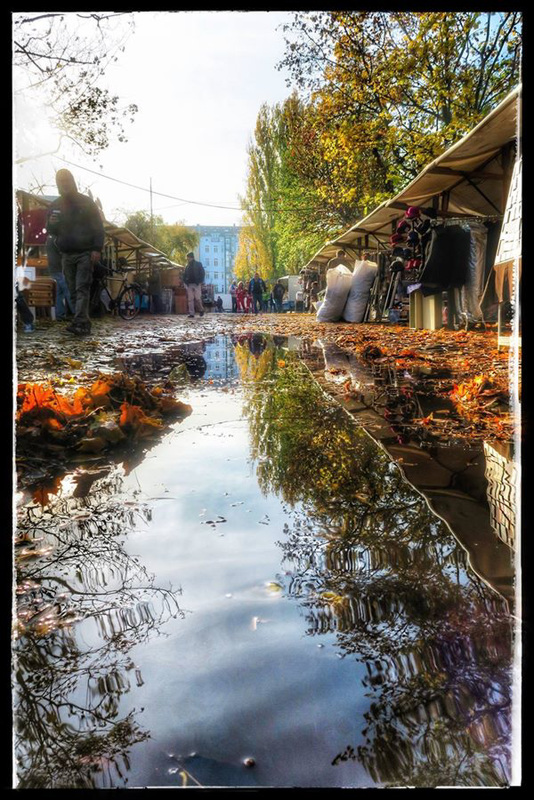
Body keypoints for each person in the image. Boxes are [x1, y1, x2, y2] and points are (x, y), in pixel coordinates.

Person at [46, 169, 105, 335]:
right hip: (66, 254)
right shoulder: (55, 205)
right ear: (58, 184)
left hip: (85, 252)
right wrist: (51, 223)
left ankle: (80, 321)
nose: (64, 184)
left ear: (72, 181)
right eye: (61, 181)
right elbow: (51, 230)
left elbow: (98, 228)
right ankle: (82, 322)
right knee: (72, 290)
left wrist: (96, 248)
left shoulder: (86, 203)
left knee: (81, 287)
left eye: (67, 180)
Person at [45, 235, 73, 320]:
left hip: (53, 267)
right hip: (60, 268)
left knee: (58, 293)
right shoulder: (57, 239)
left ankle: (60, 315)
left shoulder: (49, 239)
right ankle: (77, 313)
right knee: (68, 291)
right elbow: (64, 252)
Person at [183, 251, 205, 318]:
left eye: (188, 258)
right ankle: (191, 313)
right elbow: (184, 275)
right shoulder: (187, 266)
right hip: (189, 284)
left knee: (198, 298)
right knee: (190, 299)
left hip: (197, 283)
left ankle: (201, 309)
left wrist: (200, 281)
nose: (187, 259)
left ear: (191, 257)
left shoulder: (198, 264)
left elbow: (202, 273)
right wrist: (185, 281)